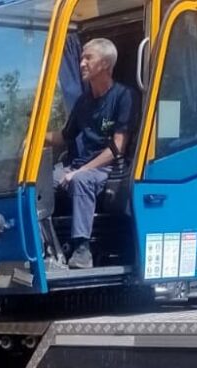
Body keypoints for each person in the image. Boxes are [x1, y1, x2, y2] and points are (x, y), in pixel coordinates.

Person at [45, 37, 134, 270]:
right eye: (81, 58)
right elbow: (65, 136)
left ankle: (82, 250)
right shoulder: (83, 102)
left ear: (104, 64)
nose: (82, 63)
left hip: (108, 169)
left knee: (82, 181)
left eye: (88, 58)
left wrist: (80, 171)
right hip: (77, 165)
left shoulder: (123, 97)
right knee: (36, 184)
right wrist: (36, 137)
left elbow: (117, 148)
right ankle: (45, 247)